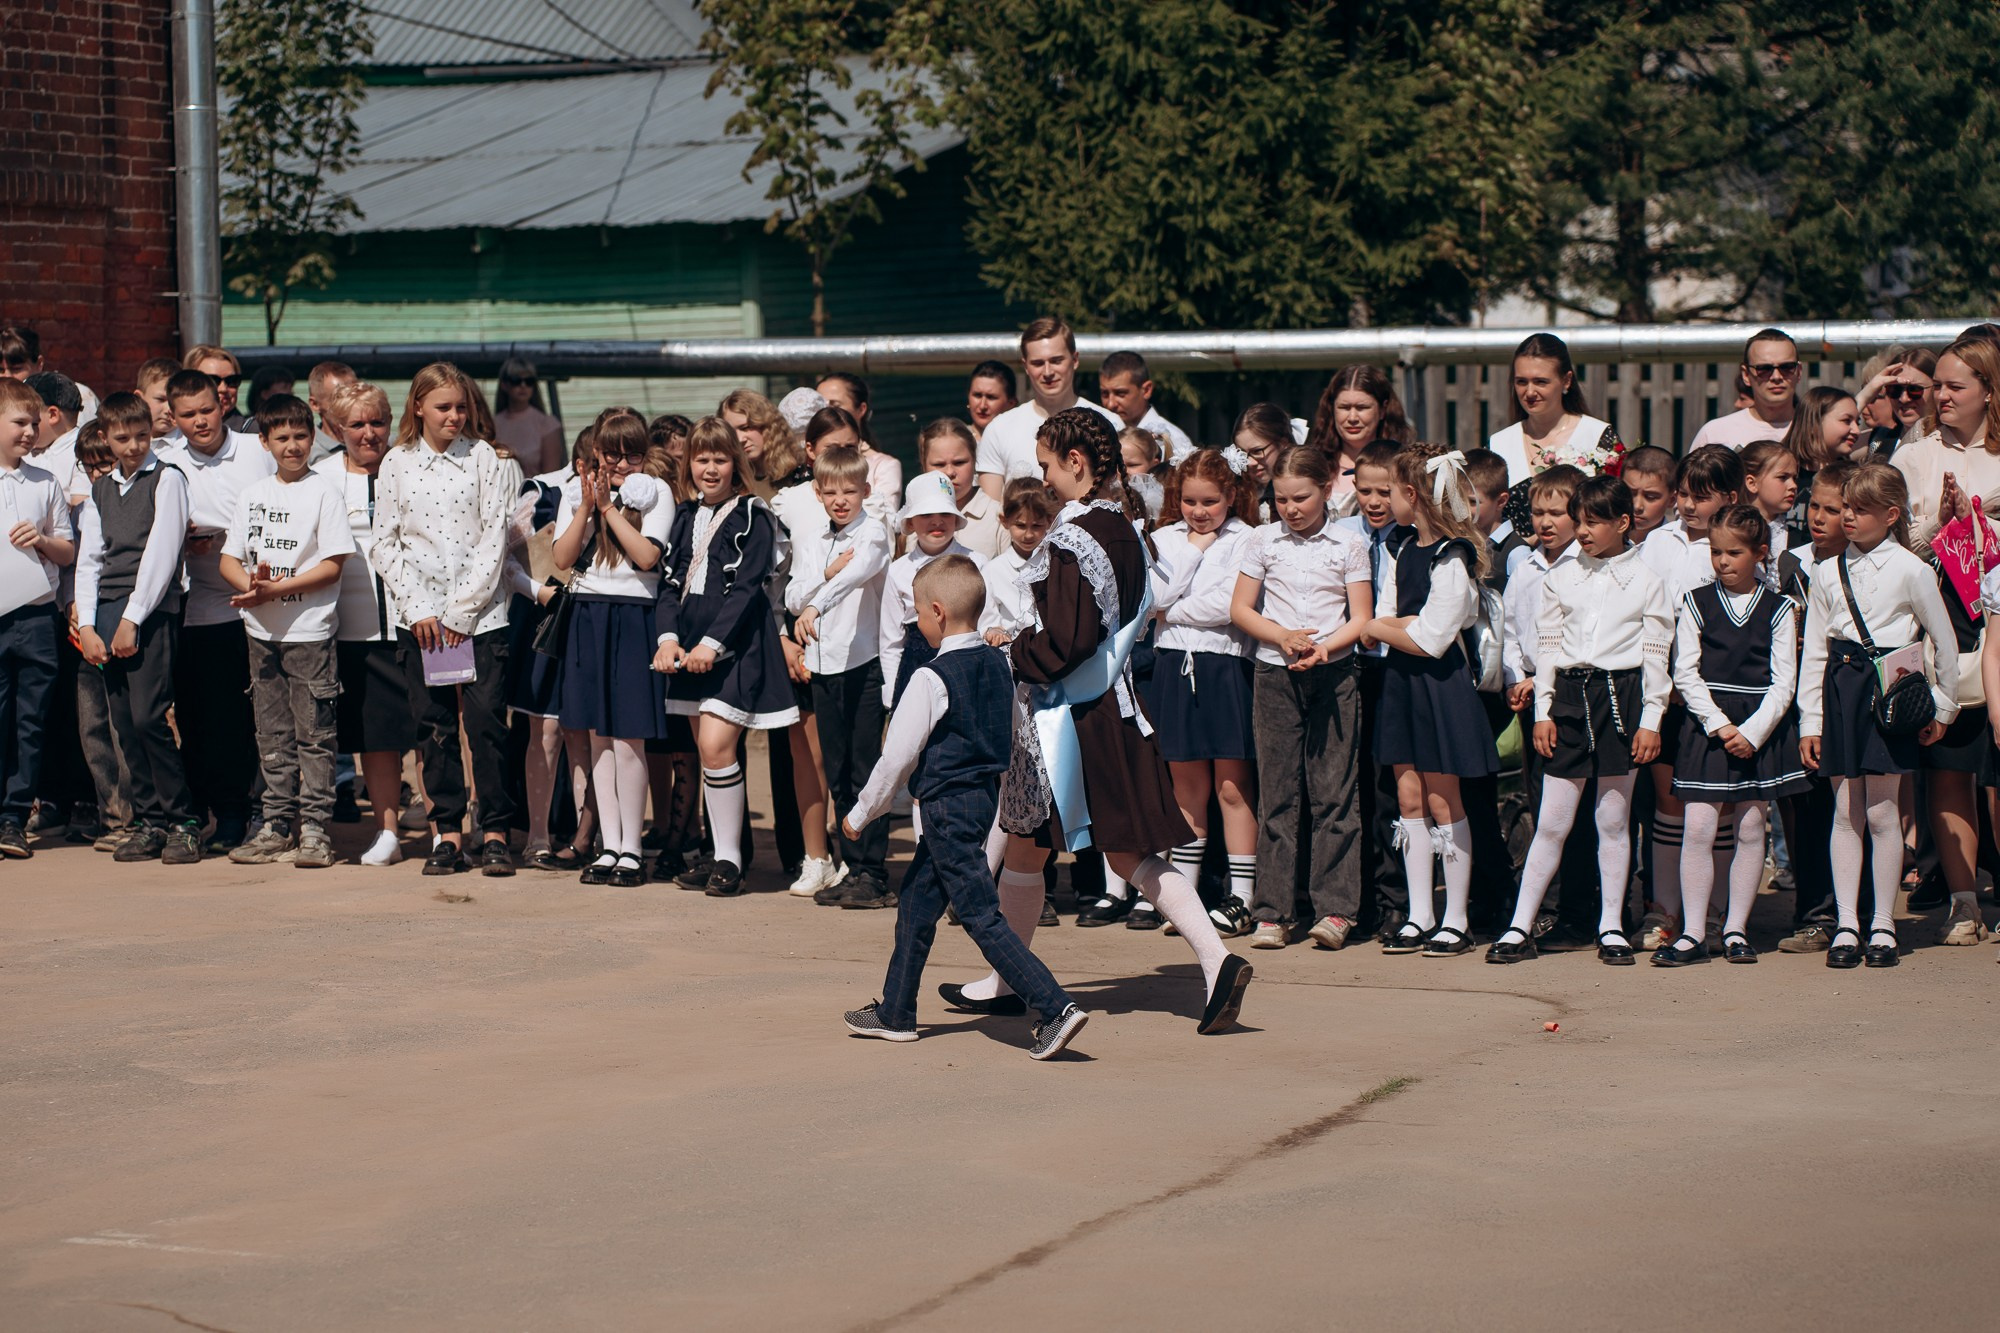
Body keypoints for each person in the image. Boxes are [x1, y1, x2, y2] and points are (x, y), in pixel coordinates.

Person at [965, 408, 1250, 1034]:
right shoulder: (1123, 526)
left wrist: (1012, 651)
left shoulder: (1072, 536)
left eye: (1045, 465)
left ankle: (1215, 958)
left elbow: (1067, 640)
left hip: (1070, 719)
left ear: (1075, 462)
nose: (1041, 478)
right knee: (1054, 846)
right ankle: (1211, 959)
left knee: (1081, 848)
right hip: (1109, 706)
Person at [838, 555, 1089, 1059]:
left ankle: (1054, 1006)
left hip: (947, 808)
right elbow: (1018, 735)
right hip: (980, 804)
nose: (917, 623)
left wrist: (861, 813)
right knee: (915, 905)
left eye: (917, 613)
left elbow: (896, 758)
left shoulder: (932, 678)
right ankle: (895, 1012)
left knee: (980, 915)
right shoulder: (1001, 665)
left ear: (937, 612)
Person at [1487, 476, 1672, 965]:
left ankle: (1611, 925)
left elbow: (1656, 655)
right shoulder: (1560, 578)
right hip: (1569, 698)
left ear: (1623, 523)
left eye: (1594, 522)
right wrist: (1544, 711)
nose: (1583, 531)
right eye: (1581, 521)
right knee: (1552, 821)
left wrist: (1651, 719)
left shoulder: (1648, 582)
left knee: (1613, 820)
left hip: (1621, 697)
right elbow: (1547, 647)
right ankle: (1518, 926)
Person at [1798, 462, 1958, 969]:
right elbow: (1816, 651)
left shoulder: (1912, 569)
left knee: (1883, 811)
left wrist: (1944, 705)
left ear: (1891, 515)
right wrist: (1810, 720)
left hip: (1890, 686)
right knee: (1846, 810)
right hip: (1841, 686)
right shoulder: (1825, 571)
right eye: (1845, 506)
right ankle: (1847, 924)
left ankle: (1883, 925)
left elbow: (1945, 640)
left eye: (1859, 509)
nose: (1847, 516)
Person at [373, 362, 524, 878]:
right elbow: (384, 543)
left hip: (480, 619)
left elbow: (494, 538)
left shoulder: (484, 458)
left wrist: (461, 612)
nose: (455, 416)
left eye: (461, 406)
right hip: (422, 622)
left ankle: (497, 829)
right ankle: (448, 832)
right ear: (419, 407)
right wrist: (420, 609)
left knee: (486, 724)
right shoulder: (396, 463)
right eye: (443, 408)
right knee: (433, 726)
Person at [1358, 445, 1501, 956]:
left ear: (1411, 495)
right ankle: (1420, 915)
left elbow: (1430, 637)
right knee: (1410, 799)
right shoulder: (1403, 550)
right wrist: (1387, 624)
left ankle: (1455, 918)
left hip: (1439, 686)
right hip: (1402, 684)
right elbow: (1395, 614)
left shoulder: (1452, 557)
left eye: (1392, 490)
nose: (1387, 500)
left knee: (1445, 800)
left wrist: (1378, 626)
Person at [1230, 445, 1374, 951]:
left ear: (1327, 489)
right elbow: (1242, 609)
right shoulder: (1263, 540)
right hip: (1275, 674)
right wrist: (1282, 636)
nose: (1291, 508)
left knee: (1335, 792)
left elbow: (1360, 616)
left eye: (1301, 498)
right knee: (1278, 795)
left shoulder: (1348, 544)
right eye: (1282, 499)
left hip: (1334, 676)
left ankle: (1335, 909)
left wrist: (1323, 647)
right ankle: (1273, 911)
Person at [1657, 505, 1811, 965]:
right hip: (1709, 725)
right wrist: (1721, 725)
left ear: (1760, 553)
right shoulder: (1695, 601)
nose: (1723, 561)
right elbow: (1684, 673)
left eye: (1734, 552)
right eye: (1717, 552)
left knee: (1749, 826)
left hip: (1759, 725)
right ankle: (1691, 931)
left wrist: (1754, 732)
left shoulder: (1781, 608)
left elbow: (1785, 680)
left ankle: (1737, 929)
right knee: (1700, 826)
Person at [654, 417, 801, 898]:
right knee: (708, 753)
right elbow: (669, 586)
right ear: (688, 464)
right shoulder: (682, 516)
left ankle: (731, 862)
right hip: (689, 647)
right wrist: (668, 640)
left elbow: (745, 590)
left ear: (735, 463)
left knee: (716, 746)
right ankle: (719, 855)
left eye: (720, 459)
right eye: (701, 459)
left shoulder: (753, 514)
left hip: (737, 646)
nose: (710, 468)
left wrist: (710, 646)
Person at [1889, 337, 2000, 947]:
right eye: (1940, 384)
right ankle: (1962, 902)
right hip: (1942, 625)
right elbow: (1897, 549)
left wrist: (1985, 519)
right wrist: (1946, 522)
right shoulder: (1913, 457)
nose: (1941, 395)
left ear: (1989, 389)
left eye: (1957, 385)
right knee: (1949, 764)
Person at [217, 395, 354, 868]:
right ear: (265, 442)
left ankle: (315, 827)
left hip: (310, 632)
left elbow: (333, 564)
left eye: (300, 436)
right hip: (260, 633)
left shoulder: (323, 492)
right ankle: (275, 824)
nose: (292, 446)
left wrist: (276, 590)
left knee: (314, 733)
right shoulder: (254, 494)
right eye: (282, 438)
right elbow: (229, 559)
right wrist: (252, 591)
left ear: (312, 437)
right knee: (271, 732)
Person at [73, 392, 202, 865]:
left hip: (149, 610)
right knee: (124, 724)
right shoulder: (101, 489)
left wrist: (132, 618)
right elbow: (89, 561)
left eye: (141, 435)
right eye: (122, 437)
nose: (133, 446)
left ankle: (183, 820)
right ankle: (148, 821)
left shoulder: (166, 479)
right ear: (104, 437)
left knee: (150, 717)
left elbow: (162, 554)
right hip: (106, 612)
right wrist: (88, 625)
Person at [553, 409, 673, 889]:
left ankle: (633, 850)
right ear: (594, 454)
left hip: (633, 615)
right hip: (587, 613)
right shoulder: (573, 492)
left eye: (633, 455)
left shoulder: (656, 491)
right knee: (597, 738)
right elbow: (562, 559)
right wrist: (587, 504)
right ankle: (608, 844)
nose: (623, 464)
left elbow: (647, 557)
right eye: (612, 454)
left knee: (629, 739)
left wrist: (608, 509)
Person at [1145, 447, 1261, 934]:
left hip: (1225, 666)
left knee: (1231, 785)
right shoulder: (1164, 538)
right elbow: (1152, 597)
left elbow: (1229, 605)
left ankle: (1241, 896)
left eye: (1210, 501)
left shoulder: (1248, 539)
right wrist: (1191, 549)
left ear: (1231, 496)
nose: (1200, 511)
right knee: (1185, 786)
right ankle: (1185, 896)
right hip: (1172, 664)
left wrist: (1171, 609)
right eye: (1190, 501)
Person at [157, 369, 274, 851]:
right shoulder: (165, 460)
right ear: (173, 416)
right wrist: (182, 539)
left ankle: (248, 812)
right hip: (196, 606)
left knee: (249, 719)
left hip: (260, 606)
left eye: (207, 410)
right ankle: (213, 811)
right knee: (201, 717)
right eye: (188, 415)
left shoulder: (255, 450)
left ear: (221, 405)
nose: (200, 421)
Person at [1637, 445, 1745, 949]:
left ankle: (1717, 910)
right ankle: (1664, 909)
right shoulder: (1657, 544)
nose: (1687, 506)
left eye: (1700, 497)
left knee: (1717, 806)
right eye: (1682, 494)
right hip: (1665, 692)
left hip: (1715, 694)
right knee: (1670, 800)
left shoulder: (1735, 548)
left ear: (1729, 496)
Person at [313, 382, 419, 867]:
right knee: (377, 735)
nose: (369, 433)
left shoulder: (412, 468)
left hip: (422, 625)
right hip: (353, 631)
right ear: (336, 428)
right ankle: (388, 831)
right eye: (356, 424)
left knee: (436, 730)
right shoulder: (321, 478)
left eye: (377, 422)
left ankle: (451, 828)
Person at [787, 445, 893, 904]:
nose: (840, 500)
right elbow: (792, 596)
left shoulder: (874, 533)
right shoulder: (813, 542)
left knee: (867, 769)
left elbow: (858, 575)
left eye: (850, 490)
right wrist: (820, 579)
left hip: (864, 664)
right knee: (839, 774)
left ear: (866, 490)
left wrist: (817, 598)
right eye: (830, 491)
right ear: (817, 492)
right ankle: (851, 865)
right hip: (823, 667)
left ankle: (872, 868)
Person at [1774, 462, 1857, 953]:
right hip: (1804, 702)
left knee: (1861, 810)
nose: (1819, 518)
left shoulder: (1870, 563)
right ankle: (1815, 914)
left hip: (1854, 698)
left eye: (1834, 509)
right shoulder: (1793, 562)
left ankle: (1864, 913)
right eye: (1815, 508)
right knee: (1809, 810)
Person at [505, 424, 595, 873]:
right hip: (544, 623)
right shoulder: (541, 491)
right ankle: (537, 836)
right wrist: (539, 591)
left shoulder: (632, 496)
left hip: (597, 624)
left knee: (587, 735)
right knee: (544, 732)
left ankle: (589, 837)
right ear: (580, 462)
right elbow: (508, 557)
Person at [1332, 440, 1410, 942]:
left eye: (1385, 491)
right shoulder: (1341, 536)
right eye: (1365, 491)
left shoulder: (1411, 538)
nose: (1375, 501)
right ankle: (1351, 900)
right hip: (1347, 668)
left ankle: (1395, 901)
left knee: (1390, 791)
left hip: (1395, 668)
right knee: (1349, 786)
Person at [0, 378, 74, 856]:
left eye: (33, 423)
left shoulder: (45, 481)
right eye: (18, 423)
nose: (29, 432)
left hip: (34, 619)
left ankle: (12, 817)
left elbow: (67, 551)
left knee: (30, 722)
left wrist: (43, 541)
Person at [973, 318, 1121, 499]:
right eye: (1038, 363)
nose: (1048, 372)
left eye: (1056, 360)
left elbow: (1121, 500)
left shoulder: (1108, 423)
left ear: (1075, 360)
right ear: (1025, 366)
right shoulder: (999, 429)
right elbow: (993, 513)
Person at [878, 473, 987, 717]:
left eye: (945, 514)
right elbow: (891, 641)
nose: (937, 522)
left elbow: (988, 620)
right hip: (916, 669)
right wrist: (892, 692)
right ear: (911, 522)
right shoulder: (897, 571)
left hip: (968, 668)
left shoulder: (977, 562)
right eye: (926, 515)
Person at [1488, 333, 1618, 535]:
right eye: (1521, 382)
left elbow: (1619, 509)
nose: (1530, 392)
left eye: (1541, 382)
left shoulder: (1597, 436)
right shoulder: (1499, 443)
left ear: (1566, 381)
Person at [1301, 364, 1415, 517]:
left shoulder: (1405, 465)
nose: (1352, 418)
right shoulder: (1312, 466)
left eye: (1362, 407)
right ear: (1332, 409)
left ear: (1382, 410)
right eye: (1344, 407)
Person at [1689, 328, 1800, 450]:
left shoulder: (1819, 432)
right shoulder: (1714, 435)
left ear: (1799, 371)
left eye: (1787, 367)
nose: (1776, 377)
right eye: (1764, 369)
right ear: (1746, 375)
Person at [815, 374, 902, 525]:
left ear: (861, 409)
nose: (826, 411)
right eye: (819, 405)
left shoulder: (883, 465)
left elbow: (886, 523)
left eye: (835, 405)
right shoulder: (804, 464)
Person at [919, 417, 1003, 558]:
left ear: (975, 461)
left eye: (959, 462)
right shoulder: (915, 517)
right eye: (939, 464)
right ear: (924, 465)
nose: (950, 472)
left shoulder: (998, 517)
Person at [1098, 350, 1195, 462]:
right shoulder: (1098, 435)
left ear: (1146, 390)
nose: (1111, 403)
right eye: (1104, 393)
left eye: (1120, 393)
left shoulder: (1174, 440)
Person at [1854, 347, 1937, 457]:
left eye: (1914, 390)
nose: (1903, 399)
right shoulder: (1880, 439)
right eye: (1895, 390)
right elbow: (1827, 440)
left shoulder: (1948, 440)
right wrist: (1866, 393)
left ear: (1937, 388)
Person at [491, 358, 566, 477]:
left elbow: (551, 477)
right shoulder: (491, 424)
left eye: (529, 381)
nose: (523, 386)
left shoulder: (547, 424)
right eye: (516, 381)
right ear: (504, 385)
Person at [1739, 440, 1801, 563]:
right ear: (1752, 483)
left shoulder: (1799, 540)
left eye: (1794, 478)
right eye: (1782, 477)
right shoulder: (1725, 530)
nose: (1793, 485)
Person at [1620, 446, 1676, 542]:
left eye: (1650, 497)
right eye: (1630, 493)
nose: (1637, 506)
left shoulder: (1677, 547)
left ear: (1672, 500)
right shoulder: (1601, 538)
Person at [305, 361, 356, 463]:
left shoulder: (379, 444)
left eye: (354, 396)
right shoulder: (305, 454)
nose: (348, 404)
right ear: (315, 404)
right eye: (338, 398)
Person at [181, 345, 243, 425]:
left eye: (232, 380)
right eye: (212, 380)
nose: (223, 389)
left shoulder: (254, 434)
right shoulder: (173, 434)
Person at [965, 360, 1017, 441]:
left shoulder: (1021, 441)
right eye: (977, 395)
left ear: (1011, 403)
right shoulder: (954, 439)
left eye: (991, 397)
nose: (982, 406)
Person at [134, 358, 180, 440]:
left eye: (174, 401)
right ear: (139, 398)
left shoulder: (189, 445)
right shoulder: (124, 440)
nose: (168, 409)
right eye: (160, 399)